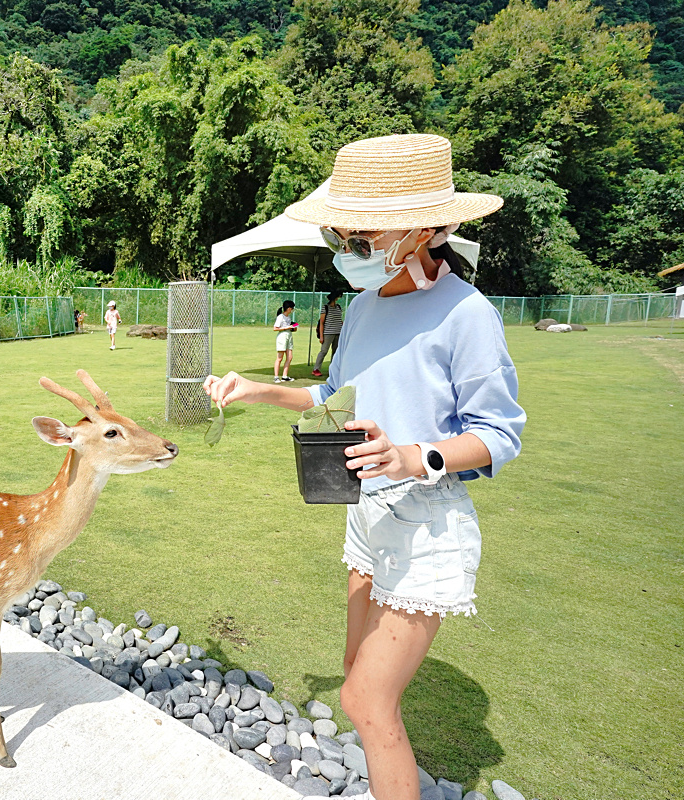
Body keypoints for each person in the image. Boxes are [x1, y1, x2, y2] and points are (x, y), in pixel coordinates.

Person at [204, 134, 525, 800]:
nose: (348, 246)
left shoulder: (468, 315)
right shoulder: (364, 306)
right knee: (359, 680)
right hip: (366, 517)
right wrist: (255, 388)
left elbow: (498, 436)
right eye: (341, 232)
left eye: (361, 233)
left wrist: (413, 455)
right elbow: (330, 397)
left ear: (426, 228)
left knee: (366, 702)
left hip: (427, 529)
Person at [314, 290, 345, 377]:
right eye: (338, 297)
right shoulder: (325, 308)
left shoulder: (338, 307)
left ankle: (333, 369)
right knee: (324, 351)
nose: (338, 299)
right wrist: (321, 336)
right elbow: (322, 323)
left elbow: (339, 320)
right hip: (328, 333)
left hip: (338, 332)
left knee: (335, 352)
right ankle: (316, 369)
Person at [273, 300, 297, 382]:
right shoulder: (280, 317)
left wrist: (294, 327)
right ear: (289, 308)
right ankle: (276, 376)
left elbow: (291, 328)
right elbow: (275, 328)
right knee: (280, 358)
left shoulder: (289, 317)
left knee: (289, 357)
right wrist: (286, 328)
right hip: (282, 337)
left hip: (289, 336)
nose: (292, 310)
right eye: (292, 308)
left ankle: (285, 376)